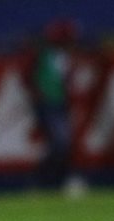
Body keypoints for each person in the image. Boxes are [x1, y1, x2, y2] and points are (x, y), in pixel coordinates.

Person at [27, 18, 86, 194]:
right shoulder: (43, 54)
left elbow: (66, 81)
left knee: (62, 144)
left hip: (59, 104)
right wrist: (37, 95)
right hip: (47, 105)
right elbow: (31, 76)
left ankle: (52, 180)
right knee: (61, 143)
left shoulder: (64, 57)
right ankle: (48, 179)